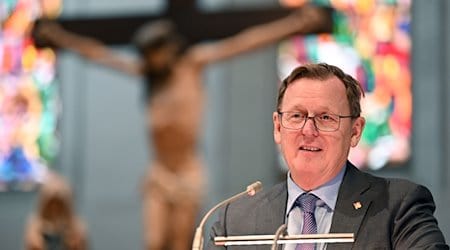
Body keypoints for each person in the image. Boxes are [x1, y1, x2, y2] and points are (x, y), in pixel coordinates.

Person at [32, 5, 331, 250]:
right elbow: (99, 54)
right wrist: (60, 37)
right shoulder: (148, 75)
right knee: (154, 241)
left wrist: (292, 25)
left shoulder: (192, 65)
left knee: (179, 242)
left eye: (153, 53)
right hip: (160, 173)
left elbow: (243, 42)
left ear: (167, 48)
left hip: (187, 172)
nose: (149, 60)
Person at [207, 63, 448, 250]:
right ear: (278, 127)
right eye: (296, 116)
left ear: (355, 131)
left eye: (325, 118)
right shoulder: (235, 220)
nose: (308, 131)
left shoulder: (398, 207)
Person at [24, 171, 88, 250]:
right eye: (51, 206)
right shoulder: (35, 227)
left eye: (59, 206)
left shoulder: (76, 227)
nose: (55, 210)